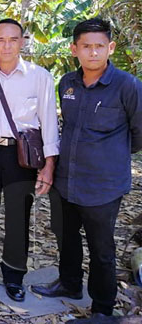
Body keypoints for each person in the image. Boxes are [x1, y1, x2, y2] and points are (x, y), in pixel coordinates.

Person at [32, 18, 142, 317]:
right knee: (66, 237)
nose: (93, 53)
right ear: (74, 50)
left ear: (111, 47)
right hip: (67, 179)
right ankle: (69, 284)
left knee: (101, 250)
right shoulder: (67, 83)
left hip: (104, 185)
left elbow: (138, 133)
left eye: (99, 46)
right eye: (86, 47)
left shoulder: (128, 86)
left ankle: (103, 309)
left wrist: (109, 153)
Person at [0, 18, 59, 302]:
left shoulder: (39, 76)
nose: (6, 46)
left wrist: (49, 164)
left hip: (23, 156)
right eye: (0, 40)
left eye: (13, 39)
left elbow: (49, 121)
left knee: (18, 217)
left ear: (22, 42)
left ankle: (14, 276)